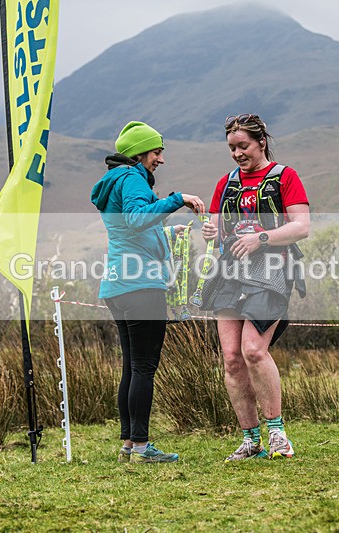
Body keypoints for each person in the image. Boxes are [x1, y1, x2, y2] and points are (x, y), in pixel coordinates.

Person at [91, 121, 205, 463]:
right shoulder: (132, 179)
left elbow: (132, 228)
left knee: (131, 366)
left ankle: (129, 443)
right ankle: (142, 447)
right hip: (141, 285)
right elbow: (138, 218)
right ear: (139, 154)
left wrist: (169, 235)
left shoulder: (116, 181)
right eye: (157, 152)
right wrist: (178, 199)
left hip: (117, 285)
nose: (161, 160)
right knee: (143, 367)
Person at [201, 114, 310, 461]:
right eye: (232, 148)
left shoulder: (284, 177)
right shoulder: (227, 183)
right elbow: (216, 227)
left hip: (273, 271)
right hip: (230, 273)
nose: (237, 153)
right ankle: (251, 441)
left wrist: (260, 239)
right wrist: (210, 231)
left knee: (253, 351)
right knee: (232, 358)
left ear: (261, 142)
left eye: (243, 146)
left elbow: (302, 226)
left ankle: (277, 433)